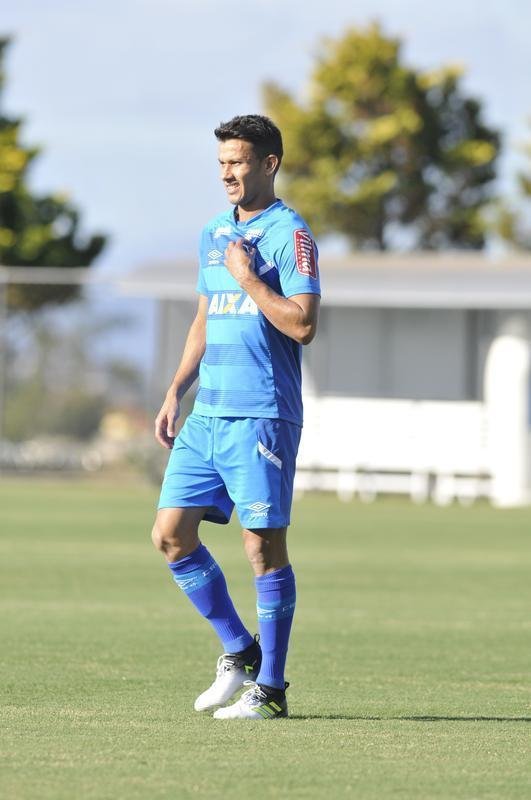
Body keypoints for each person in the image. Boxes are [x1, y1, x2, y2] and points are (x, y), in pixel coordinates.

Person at [151, 114, 321, 719]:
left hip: (261, 415)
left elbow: (302, 324)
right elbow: (205, 316)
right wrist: (177, 388)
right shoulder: (213, 233)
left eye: (238, 161)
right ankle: (240, 650)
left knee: (262, 548)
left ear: (269, 164)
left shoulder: (290, 233)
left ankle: (270, 691)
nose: (226, 172)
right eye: (221, 161)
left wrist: (248, 277)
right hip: (209, 414)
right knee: (170, 536)